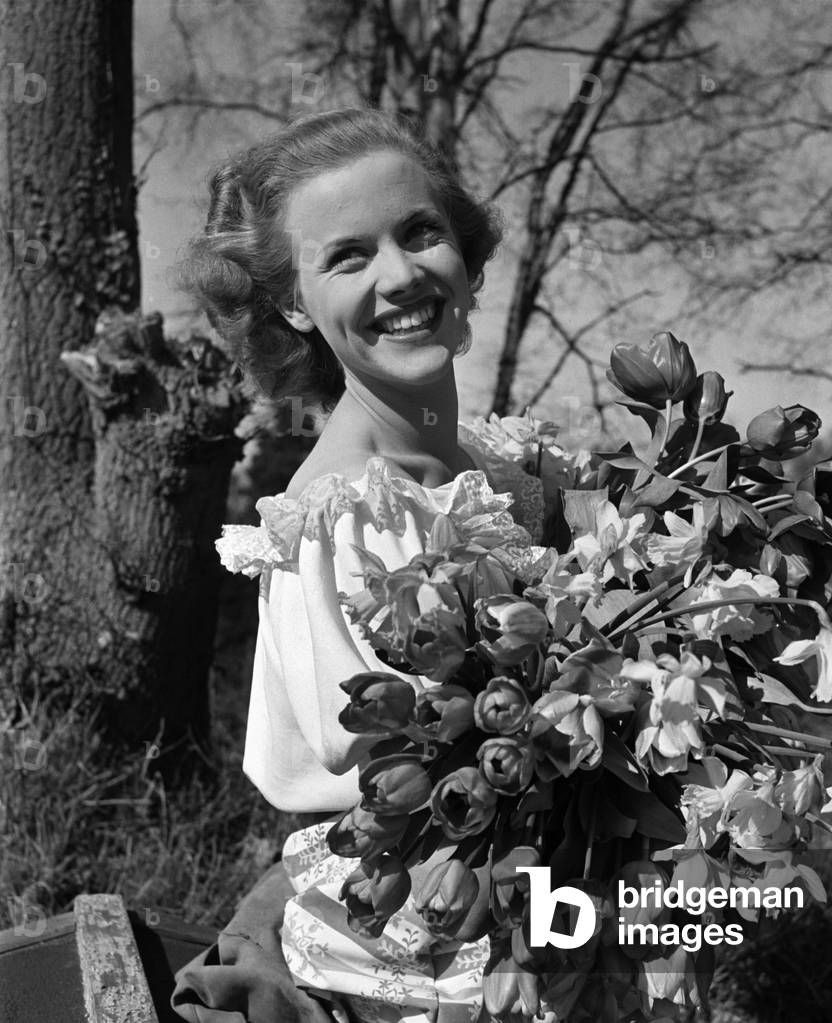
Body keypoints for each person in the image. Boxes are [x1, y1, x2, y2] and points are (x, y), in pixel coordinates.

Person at [170, 108, 548, 1023]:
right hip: (433, 922)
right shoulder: (330, 519)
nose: (402, 274)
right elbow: (403, 773)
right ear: (294, 304)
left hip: (556, 884)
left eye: (420, 232)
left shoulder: (503, 467)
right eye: (348, 255)